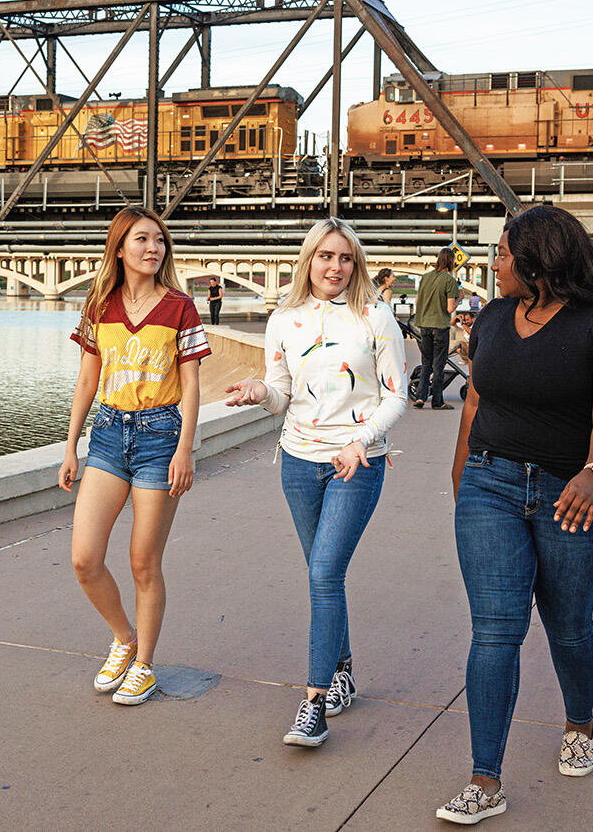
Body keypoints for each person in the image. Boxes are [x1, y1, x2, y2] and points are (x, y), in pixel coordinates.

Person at [438, 205, 593, 825]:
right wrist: (462, 477)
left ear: (539, 260)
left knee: (569, 624)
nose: (494, 262)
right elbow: (475, 403)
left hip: (571, 494)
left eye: (504, 253)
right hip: (491, 486)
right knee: (495, 630)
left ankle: (579, 720)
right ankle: (485, 779)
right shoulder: (495, 318)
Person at [224, 218, 408, 748]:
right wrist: (259, 391)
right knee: (322, 574)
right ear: (309, 260)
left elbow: (397, 395)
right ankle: (344, 666)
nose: (336, 267)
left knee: (324, 573)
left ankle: (314, 703)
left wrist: (362, 439)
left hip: (357, 462)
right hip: (298, 461)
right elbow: (282, 391)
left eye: (346, 258)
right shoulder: (284, 320)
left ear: (358, 264)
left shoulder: (376, 317)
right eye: (326, 256)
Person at [59, 206, 210, 706]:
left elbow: (191, 385)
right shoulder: (99, 303)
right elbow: (86, 379)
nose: (153, 248)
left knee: (144, 562)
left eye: (159, 240)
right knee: (85, 559)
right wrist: (71, 445)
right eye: (142, 239)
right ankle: (123, 638)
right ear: (118, 247)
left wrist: (185, 447)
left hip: (160, 436)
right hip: (106, 434)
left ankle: (144, 663)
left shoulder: (180, 307)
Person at [412, 248, 465, 409]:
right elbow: (450, 308)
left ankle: (420, 398)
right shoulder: (449, 280)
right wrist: (459, 299)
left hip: (424, 326)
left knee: (426, 363)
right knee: (439, 365)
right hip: (440, 326)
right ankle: (437, 401)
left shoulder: (425, 278)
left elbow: (417, 301)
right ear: (451, 261)